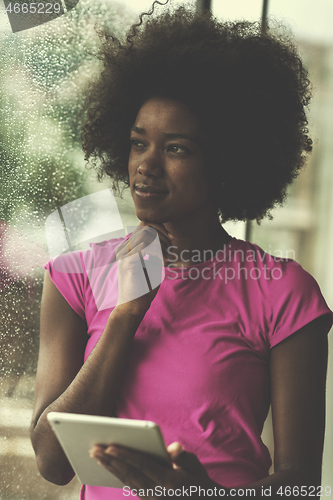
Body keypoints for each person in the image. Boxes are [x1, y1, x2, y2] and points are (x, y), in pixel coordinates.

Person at [30, 2, 333, 499]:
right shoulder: (74, 277)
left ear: (227, 161)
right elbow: (52, 460)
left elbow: (299, 485)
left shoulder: (282, 291)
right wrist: (126, 311)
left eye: (176, 148)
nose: (146, 166)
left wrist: (201, 495)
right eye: (137, 143)